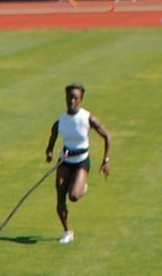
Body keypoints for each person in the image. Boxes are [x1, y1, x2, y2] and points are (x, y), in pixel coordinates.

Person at [43, 83, 112, 244]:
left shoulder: (88, 118)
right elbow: (52, 138)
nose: (71, 101)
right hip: (65, 161)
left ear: (81, 99)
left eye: (75, 98)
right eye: (69, 97)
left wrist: (105, 161)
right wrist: (49, 152)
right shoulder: (61, 121)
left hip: (81, 161)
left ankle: (82, 187)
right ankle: (67, 231)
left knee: (73, 196)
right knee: (60, 197)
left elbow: (107, 137)